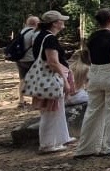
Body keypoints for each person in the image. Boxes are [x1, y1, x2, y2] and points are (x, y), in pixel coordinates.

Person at [75, 8, 110, 157]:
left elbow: (90, 58)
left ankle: (85, 147)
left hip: (95, 73)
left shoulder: (92, 37)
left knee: (93, 111)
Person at [31, 10, 76, 154]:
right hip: (51, 79)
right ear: (55, 23)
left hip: (46, 78)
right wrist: (65, 81)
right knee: (51, 110)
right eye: (61, 20)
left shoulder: (41, 36)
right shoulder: (49, 39)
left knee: (58, 108)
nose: (63, 22)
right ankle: (47, 144)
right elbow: (53, 62)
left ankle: (62, 137)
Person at [15, 15, 40, 109]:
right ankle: (35, 102)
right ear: (36, 23)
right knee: (35, 80)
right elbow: (35, 46)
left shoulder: (22, 31)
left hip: (19, 59)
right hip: (31, 59)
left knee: (22, 80)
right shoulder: (34, 33)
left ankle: (21, 100)